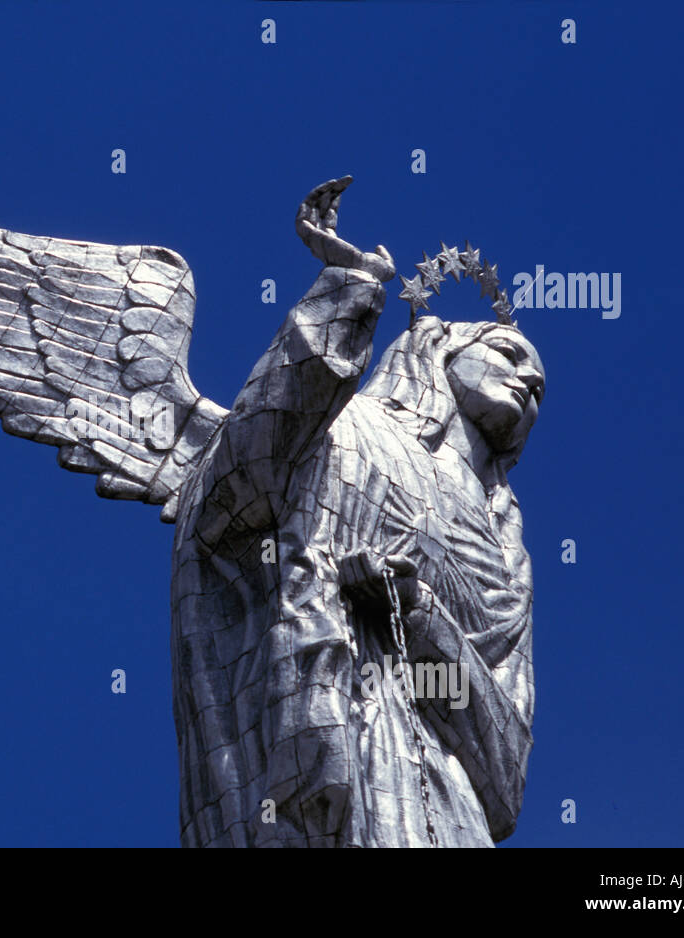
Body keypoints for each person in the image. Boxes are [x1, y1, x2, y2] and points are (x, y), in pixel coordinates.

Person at [170, 179, 545, 846]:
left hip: (449, 808)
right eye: (507, 353)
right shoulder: (347, 429)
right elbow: (235, 486)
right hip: (334, 739)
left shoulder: (507, 555)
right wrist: (351, 289)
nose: (528, 380)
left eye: (538, 384)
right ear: (441, 351)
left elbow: (505, 779)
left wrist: (421, 613)